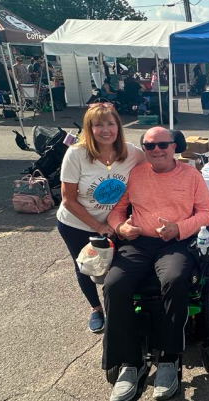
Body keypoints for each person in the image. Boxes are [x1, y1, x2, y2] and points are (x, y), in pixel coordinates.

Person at [103, 127, 209, 401]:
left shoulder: (191, 175)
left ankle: (169, 357)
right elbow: (118, 210)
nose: (156, 150)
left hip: (176, 243)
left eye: (163, 144)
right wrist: (120, 227)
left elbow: (207, 214)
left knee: (175, 281)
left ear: (174, 146)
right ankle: (131, 362)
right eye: (150, 146)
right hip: (139, 242)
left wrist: (179, 228)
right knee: (114, 284)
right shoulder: (136, 173)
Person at [57, 104, 145, 333]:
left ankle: (118, 305)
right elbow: (68, 200)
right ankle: (96, 309)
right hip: (77, 222)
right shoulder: (76, 154)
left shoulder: (131, 152)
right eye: (98, 125)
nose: (106, 130)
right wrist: (99, 227)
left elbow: (154, 168)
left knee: (118, 266)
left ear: (118, 126)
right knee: (87, 266)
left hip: (115, 222)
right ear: (89, 128)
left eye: (110, 123)